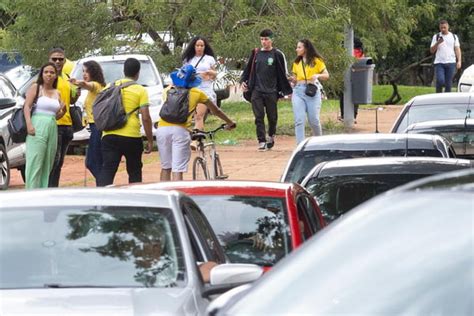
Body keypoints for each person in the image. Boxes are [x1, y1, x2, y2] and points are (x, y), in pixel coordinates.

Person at [156, 64, 236, 181]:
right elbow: (216, 111)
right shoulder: (197, 93)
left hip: (162, 129)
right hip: (180, 131)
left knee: (166, 167)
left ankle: (164, 195)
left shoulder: (168, 90)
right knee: (177, 169)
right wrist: (230, 122)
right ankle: (177, 194)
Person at [97, 58, 154, 186]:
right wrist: (150, 140)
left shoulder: (110, 87)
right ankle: (135, 201)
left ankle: (101, 200)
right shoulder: (140, 90)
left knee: (108, 169)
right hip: (131, 136)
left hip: (109, 134)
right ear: (138, 73)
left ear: (124, 71)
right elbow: (145, 117)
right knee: (134, 171)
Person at [240, 29, 292, 151]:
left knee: (272, 117)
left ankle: (271, 135)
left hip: (271, 91)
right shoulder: (255, 53)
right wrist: (243, 81)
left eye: (266, 39)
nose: (264, 42)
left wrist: (286, 90)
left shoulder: (277, 54)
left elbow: (283, 73)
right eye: (262, 39)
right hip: (256, 90)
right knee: (259, 116)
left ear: (271, 40)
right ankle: (261, 140)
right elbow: (247, 70)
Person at [23, 62, 66, 188]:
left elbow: (56, 116)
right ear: (42, 74)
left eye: (52, 72)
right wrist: (29, 124)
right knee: (35, 161)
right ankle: (31, 193)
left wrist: (62, 111)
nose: (49, 75)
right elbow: (26, 106)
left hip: (52, 126)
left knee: (48, 162)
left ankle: (42, 192)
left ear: (56, 75)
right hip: (37, 125)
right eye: (46, 72)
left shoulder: (57, 92)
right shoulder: (36, 87)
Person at [69, 60, 106, 185]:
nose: (84, 73)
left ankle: (104, 183)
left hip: (97, 127)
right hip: (94, 126)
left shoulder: (96, 85)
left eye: (87, 71)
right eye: (83, 71)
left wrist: (76, 82)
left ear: (93, 72)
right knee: (97, 160)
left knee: (91, 161)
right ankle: (103, 184)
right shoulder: (94, 89)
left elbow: (88, 84)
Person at [48, 47, 80, 187]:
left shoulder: (66, 78)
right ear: (49, 60)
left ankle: (54, 189)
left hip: (67, 124)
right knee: (53, 161)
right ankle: (49, 191)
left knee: (59, 162)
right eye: (54, 59)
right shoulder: (48, 78)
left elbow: (69, 101)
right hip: (54, 124)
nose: (57, 61)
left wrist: (76, 94)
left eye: (61, 59)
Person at [288, 39, 329, 145]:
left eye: (299, 47)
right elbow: (295, 79)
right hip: (298, 91)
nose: (297, 49)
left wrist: (318, 75)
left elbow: (326, 75)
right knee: (299, 120)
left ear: (306, 48)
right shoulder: (296, 62)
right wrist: (291, 79)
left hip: (312, 91)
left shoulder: (317, 60)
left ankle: (319, 143)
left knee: (314, 120)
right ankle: (300, 146)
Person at [182, 36, 217, 139]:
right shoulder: (188, 59)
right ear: (193, 46)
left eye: (202, 45)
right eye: (197, 45)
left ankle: (195, 141)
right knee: (192, 117)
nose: (199, 47)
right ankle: (199, 137)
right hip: (192, 89)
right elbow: (183, 74)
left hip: (205, 89)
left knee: (199, 116)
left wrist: (211, 73)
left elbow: (214, 75)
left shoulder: (209, 59)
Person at [430, 19, 462, 93]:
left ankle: (446, 100)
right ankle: (438, 96)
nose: (443, 29)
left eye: (444, 27)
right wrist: (438, 42)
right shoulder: (436, 36)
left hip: (451, 62)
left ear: (448, 26)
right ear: (439, 28)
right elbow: (432, 50)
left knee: (448, 84)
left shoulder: (454, 36)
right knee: (440, 81)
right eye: (441, 28)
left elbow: (457, 49)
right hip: (439, 63)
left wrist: (459, 61)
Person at [339, 37, 364, 122]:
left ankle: (343, 115)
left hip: (346, 77)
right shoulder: (361, 52)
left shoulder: (348, 52)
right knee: (355, 98)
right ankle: (354, 116)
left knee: (343, 96)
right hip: (358, 77)